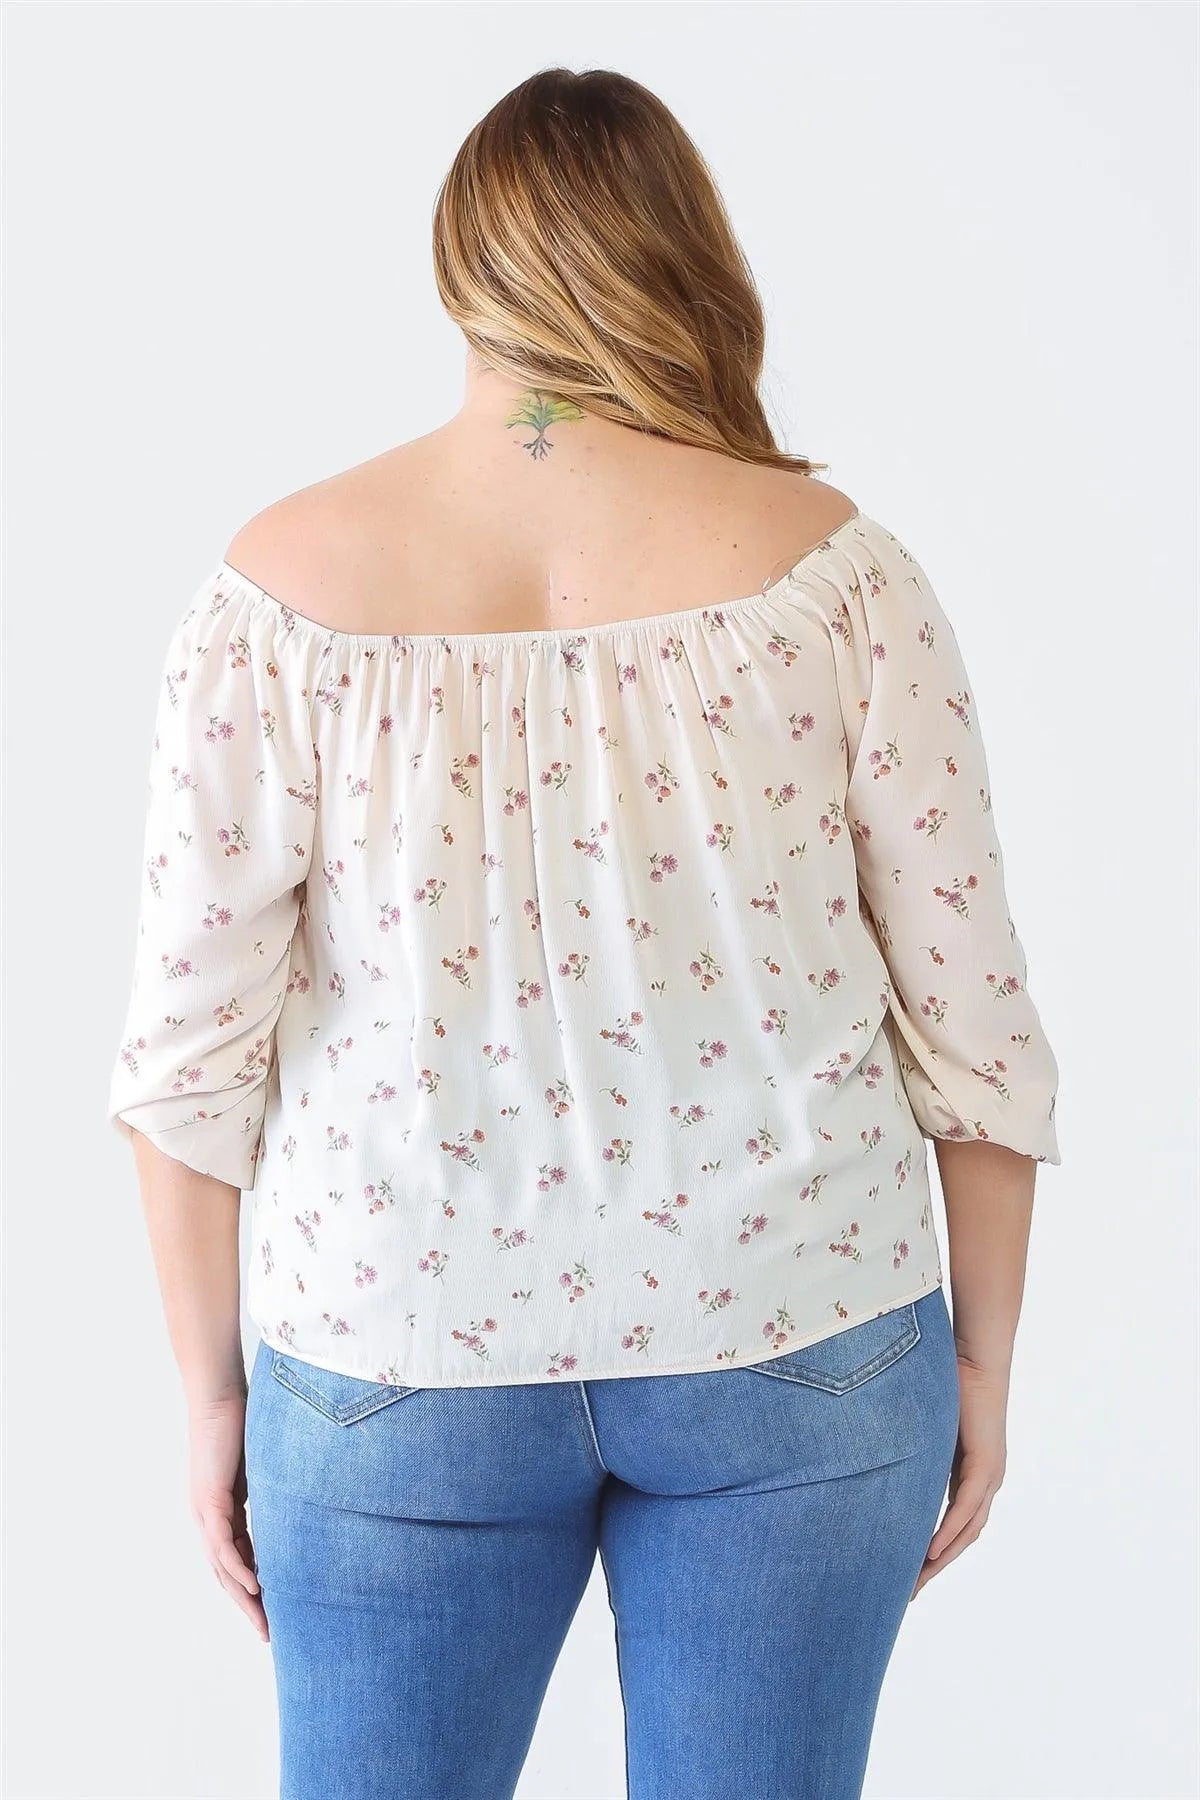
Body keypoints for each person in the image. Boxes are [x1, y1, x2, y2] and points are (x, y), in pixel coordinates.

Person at [107, 65, 1061, 1800]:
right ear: (689, 252)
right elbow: (973, 1017)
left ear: (459, 264)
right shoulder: (841, 577)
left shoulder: (278, 592)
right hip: (802, 1337)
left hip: (394, 1348)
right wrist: (984, 1358)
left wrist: (211, 1394)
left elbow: (186, 1060)